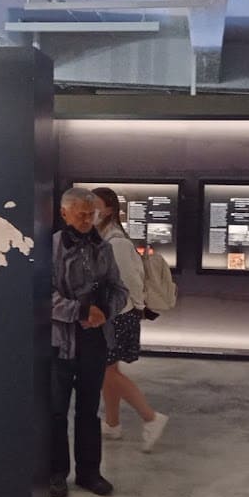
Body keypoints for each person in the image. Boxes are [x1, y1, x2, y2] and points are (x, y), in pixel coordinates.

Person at [50, 188, 129, 497]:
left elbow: (119, 288)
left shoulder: (103, 248)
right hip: (60, 342)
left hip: (94, 340)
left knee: (88, 410)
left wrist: (105, 311)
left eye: (91, 214)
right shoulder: (51, 248)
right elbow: (42, 295)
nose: (86, 220)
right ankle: (56, 473)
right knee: (56, 411)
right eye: (80, 214)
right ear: (64, 213)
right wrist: (80, 311)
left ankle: (89, 472)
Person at [90, 188, 169, 452]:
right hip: (111, 315)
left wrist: (137, 308)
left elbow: (131, 281)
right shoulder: (103, 238)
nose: (91, 210)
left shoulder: (116, 243)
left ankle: (151, 417)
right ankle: (112, 424)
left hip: (118, 316)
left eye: (96, 205)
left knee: (106, 371)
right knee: (109, 371)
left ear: (109, 210)